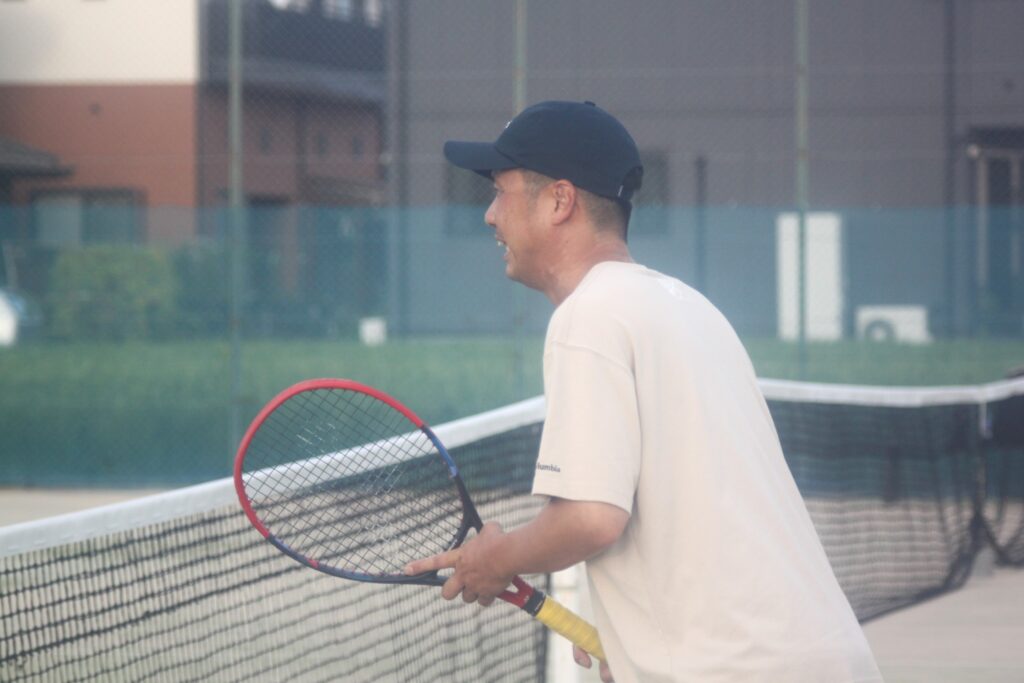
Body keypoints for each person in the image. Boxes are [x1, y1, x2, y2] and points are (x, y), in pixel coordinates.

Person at [405, 100, 882, 683]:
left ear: (559, 201)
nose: (489, 215)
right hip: (828, 657)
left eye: (500, 192)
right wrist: (637, 646)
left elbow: (590, 518)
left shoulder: (589, 316)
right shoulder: (692, 308)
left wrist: (495, 559)